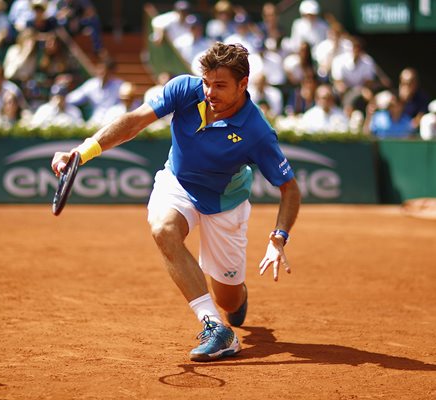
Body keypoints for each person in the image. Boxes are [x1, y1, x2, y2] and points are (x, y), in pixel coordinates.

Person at [51, 42, 301, 362]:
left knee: (230, 299)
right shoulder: (185, 89)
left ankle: (233, 304)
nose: (210, 92)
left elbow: (289, 189)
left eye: (221, 85)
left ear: (243, 84)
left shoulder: (257, 132)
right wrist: (82, 151)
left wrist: (279, 237)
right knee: (163, 229)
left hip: (226, 204)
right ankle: (215, 328)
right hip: (178, 183)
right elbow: (134, 120)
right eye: (207, 82)